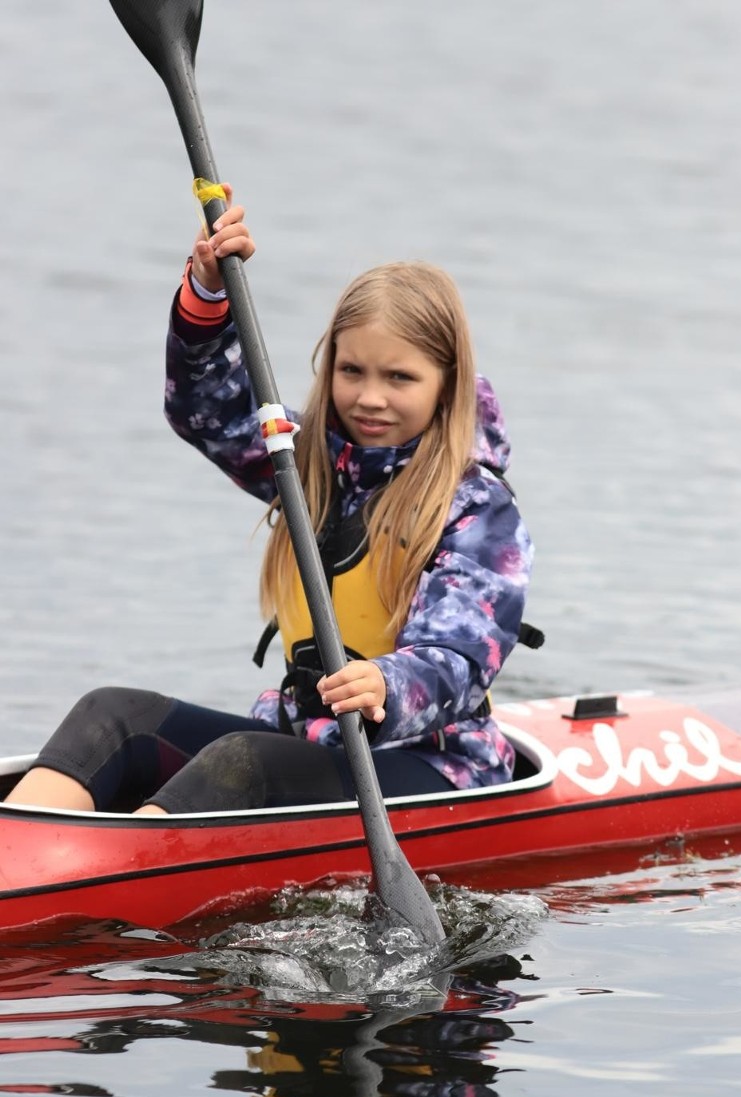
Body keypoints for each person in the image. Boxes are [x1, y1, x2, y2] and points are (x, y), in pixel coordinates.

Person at [5, 189, 534, 815]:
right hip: (306, 739)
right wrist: (208, 294)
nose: (370, 397)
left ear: (446, 384)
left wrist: (388, 684)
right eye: (352, 371)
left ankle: (110, 867)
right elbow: (205, 410)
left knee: (244, 763)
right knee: (112, 714)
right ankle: (24, 854)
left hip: (429, 761)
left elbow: (459, 659)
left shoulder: (478, 511)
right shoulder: (302, 461)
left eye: (400, 378)